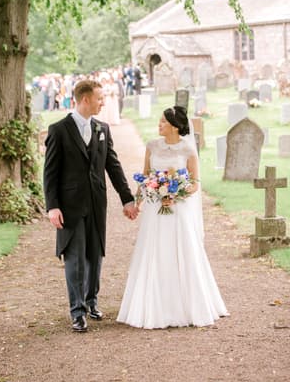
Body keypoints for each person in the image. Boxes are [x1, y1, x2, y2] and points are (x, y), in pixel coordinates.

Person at [117, 105, 229, 329]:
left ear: (175, 126)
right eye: (159, 121)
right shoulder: (152, 146)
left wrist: (174, 195)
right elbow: (146, 177)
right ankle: (153, 304)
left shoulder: (187, 149)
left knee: (182, 251)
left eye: (163, 122)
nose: (159, 125)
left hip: (179, 210)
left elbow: (195, 183)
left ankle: (188, 304)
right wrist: (137, 203)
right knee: (155, 251)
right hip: (155, 211)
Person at [43, 79, 138, 333]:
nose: (103, 102)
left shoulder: (102, 128)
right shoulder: (59, 130)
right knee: (75, 260)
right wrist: (52, 206)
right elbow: (50, 173)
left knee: (95, 256)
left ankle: (91, 302)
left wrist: (127, 198)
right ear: (85, 99)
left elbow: (113, 166)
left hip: (97, 204)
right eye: (99, 98)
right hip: (70, 206)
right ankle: (77, 312)